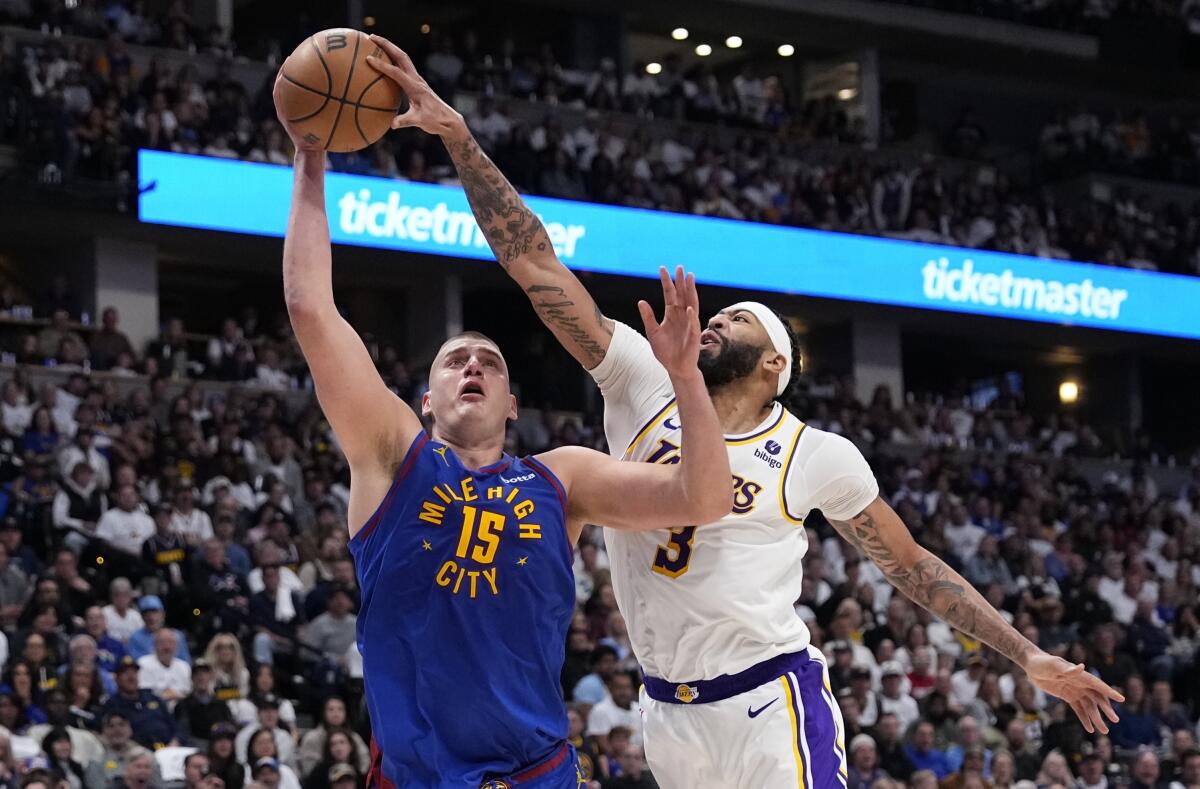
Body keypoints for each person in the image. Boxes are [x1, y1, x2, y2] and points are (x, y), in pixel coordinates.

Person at [363, 33, 1127, 787]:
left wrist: (1029, 655)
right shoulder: (640, 379)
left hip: (770, 699)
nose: (717, 319)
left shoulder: (815, 452)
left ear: (774, 365)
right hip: (665, 713)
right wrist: (459, 138)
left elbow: (912, 565)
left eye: (739, 320)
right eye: (719, 313)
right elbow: (533, 263)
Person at [274, 62, 733, 789]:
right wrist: (310, 154)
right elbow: (310, 308)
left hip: (537, 773)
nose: (473, 366)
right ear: (424, 399)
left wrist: (684, 378)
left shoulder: (561, 476)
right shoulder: (394, 454)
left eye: (488, 361)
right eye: (455, 360)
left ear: (513, 404)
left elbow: (703, 497)